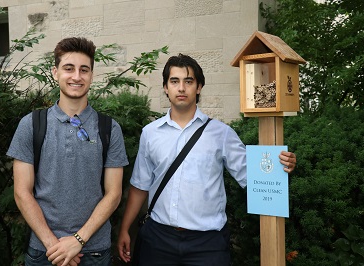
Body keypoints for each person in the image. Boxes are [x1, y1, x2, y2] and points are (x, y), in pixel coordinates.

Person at [117, 54, 297, 266]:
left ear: (199, 87)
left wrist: (281, 164)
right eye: (174, 81)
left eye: (189, 81)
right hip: (158, 240)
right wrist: (124, 230)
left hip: (207, 245)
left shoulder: (221, 133)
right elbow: (140, 186)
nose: (181, 88)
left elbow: (255, 176)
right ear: (166, 87)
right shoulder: (150, 133)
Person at [7, 37, 129, 266]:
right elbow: (22, 192)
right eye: (68, 68)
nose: (76, 76)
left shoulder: (109, 128)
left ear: (91, 75)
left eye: (84, 70)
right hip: (44, 252)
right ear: (55, 72)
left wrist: (77, 241)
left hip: (94, 253)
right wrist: (55, 246)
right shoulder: (31, 125)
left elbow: (113, 194)